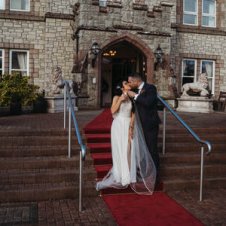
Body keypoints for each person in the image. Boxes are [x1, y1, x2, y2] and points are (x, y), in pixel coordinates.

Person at [96, 81, 156, 194]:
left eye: (128, 82)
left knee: (130, 150)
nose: (129, 84)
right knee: (121, 150)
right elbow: (112, 111)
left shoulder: (132, 98)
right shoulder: (116, 97)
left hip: (128, 125)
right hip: (118, 125)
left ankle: (130, 176)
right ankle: (122, 176)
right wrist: (120, 100)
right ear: (123, 87)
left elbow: (133, 113)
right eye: (126, 83)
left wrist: (131, 127)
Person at [127, 73, 161, 178]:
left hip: (150, 124)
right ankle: (145, 173)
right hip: (139, 125)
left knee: (151, 150)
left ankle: (154, 177)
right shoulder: (135, 90)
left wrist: (135, 96)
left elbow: (148, 102)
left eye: (130, 82)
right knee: (142, 150)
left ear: (136, 81)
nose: (129, 84)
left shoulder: (150, 88)